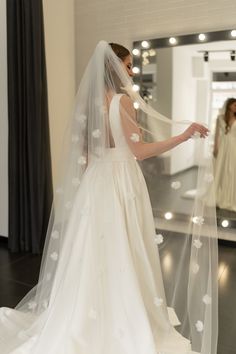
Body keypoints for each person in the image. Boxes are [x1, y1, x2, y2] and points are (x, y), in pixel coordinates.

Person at [0, 41, 218, 354]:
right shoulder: (122, 102)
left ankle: (86, 313)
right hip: (121, 181)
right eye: (128, 65)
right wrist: (183, 136)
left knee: (92, 250)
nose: (131, 71)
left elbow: (87, 155)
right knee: (125, 247)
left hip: (96, 182)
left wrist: (88, 192)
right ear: (115, 68)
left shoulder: (88, 105)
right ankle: (123, 315)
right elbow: (139, 152)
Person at [213, 97, 236, 211]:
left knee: (232, 171)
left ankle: (231, 197)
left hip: (234, 147)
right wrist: (215, 147)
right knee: (221, 171)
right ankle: (221, 195)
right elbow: (216, 134)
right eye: (234, 105)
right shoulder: (220, 118)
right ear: (229, 106)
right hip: (223, 147)